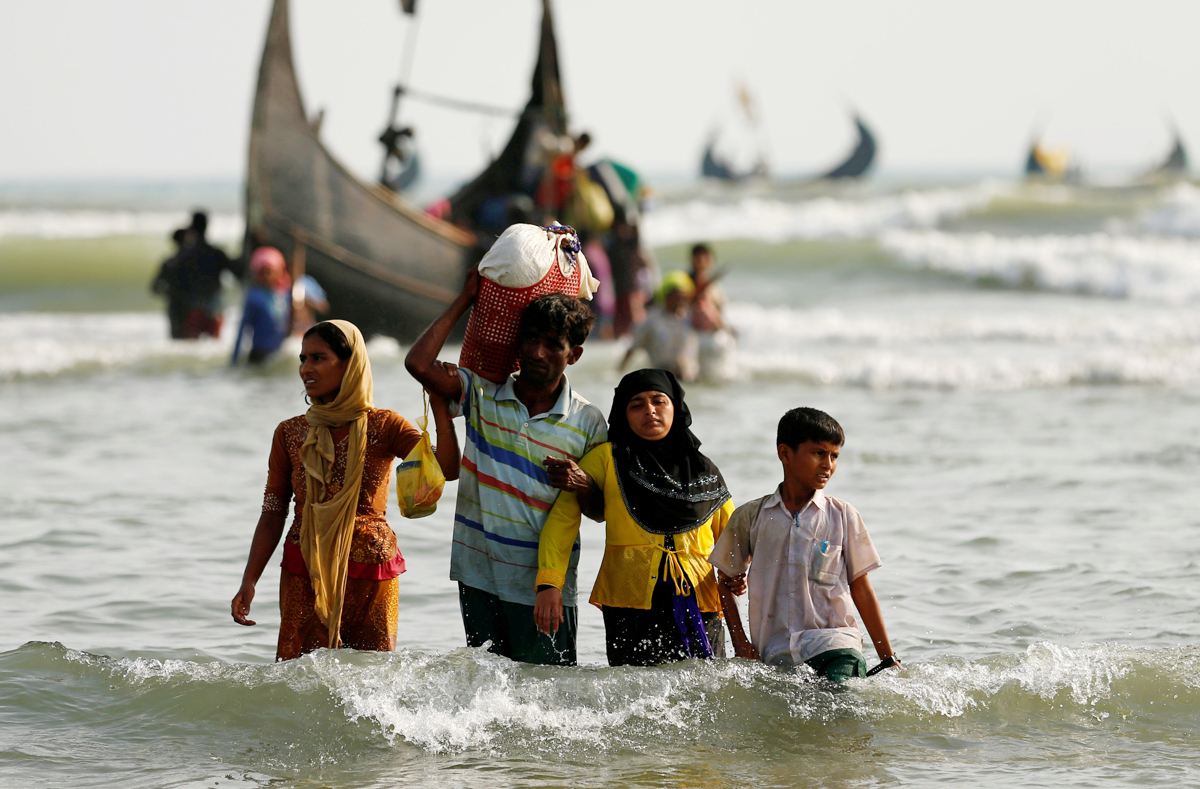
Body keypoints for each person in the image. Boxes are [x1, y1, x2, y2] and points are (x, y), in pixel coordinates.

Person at [404, 272, 608, 666]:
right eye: (530, 339)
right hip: (478, 574)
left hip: (544, 589)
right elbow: (418, 363)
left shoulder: (588, 422)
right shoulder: (481, 393)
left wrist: (582, 484)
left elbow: (600, 511)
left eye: (553, 345)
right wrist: (466, 298)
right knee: (488, 694)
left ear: (574, 355)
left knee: (547, 700)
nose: (537, 352)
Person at [231, 320, 460, 661]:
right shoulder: (290, 433)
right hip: (304, 569)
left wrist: (440, 408)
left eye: (318, 358)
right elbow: (272, 511)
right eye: (303, 358)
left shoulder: (385, 425)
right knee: (299, 681)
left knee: (373, 680)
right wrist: (249, 580)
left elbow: (446, 470)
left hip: (372, 572)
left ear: (349, 364)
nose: (305, 368)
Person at [535, 369, 734, 666]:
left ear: (675, 407)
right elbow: (563, 518)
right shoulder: (606, 458)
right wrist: (549, 583)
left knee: (707, 694)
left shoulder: (704, 469)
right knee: (633, 696)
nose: (650, 410)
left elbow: (734, 536)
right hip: (629, 602)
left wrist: (738, 574)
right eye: (637, 404)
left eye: (659, 401)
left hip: (699, 600)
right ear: (623, 415)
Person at [710, 407, 901, 682]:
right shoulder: (751, 516)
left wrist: (887, 658)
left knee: (838, 705)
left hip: (836, 645)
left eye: (834, 456)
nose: (828, 465)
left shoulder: (843, 515)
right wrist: (740, 643)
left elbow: (861, 588)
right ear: (785, 454)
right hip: (775, 653)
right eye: (818, 453)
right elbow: (725, 580)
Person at [173, 211, 243, 339]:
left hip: (192, 307)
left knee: (192, 350)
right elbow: (238, 271)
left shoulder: (184, 256)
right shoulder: (216, 253)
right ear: (207, 226)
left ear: (192, 227)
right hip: (214, 308)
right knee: (213, 349)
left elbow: (177, 284)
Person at [620, 271, 698, 381]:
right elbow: (633, 348)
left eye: (684, 297)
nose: (681, 301)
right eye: (677, 297)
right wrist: (619, 373)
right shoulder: (651, 321)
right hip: (663, 376)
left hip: (689, 376)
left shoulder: (690, 318)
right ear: (666, 296)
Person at [231, 246, 291, 365]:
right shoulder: (254, 298)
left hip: (277, 354)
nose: (266, 276)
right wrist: (234, 360)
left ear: (279, 272)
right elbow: (242, 329)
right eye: (261, 273)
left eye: (269, 272)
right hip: (259, 354)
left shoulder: (285, 295)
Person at [689, 243, 737, 382]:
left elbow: (719, 311)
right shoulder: (686, 282)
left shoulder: (715, 286)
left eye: (705, 257)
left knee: (719, 377)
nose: (701, 261)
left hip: (715, 336)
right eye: (698, 257)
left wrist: (726, 327)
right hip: (696, 337)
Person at [150, 228, 189, 339]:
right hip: (191, 306)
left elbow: (154, 288)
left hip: (174, 307)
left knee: (177, 340)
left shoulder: (169, 263)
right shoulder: (193, 262)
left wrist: (169, 292)